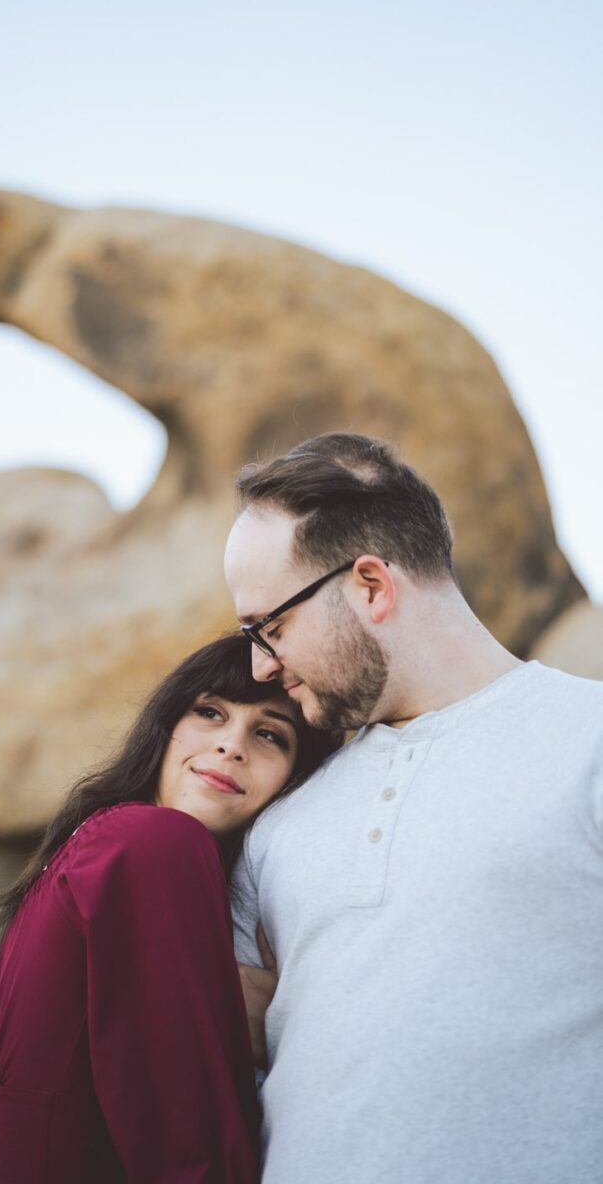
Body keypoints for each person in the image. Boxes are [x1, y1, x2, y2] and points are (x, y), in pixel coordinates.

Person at [223, 431, 603, 1184]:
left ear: (369, 585)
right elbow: (227, 1049)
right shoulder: (280, 812)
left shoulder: (588, 741)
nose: (260, 665)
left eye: (269, 626)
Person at [0, 634, 339, 1183]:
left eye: (269, 735)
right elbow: (186, 1135)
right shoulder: (152, 842)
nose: (231, 746)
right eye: (210, 712)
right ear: (164, 729)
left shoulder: (94, 846)